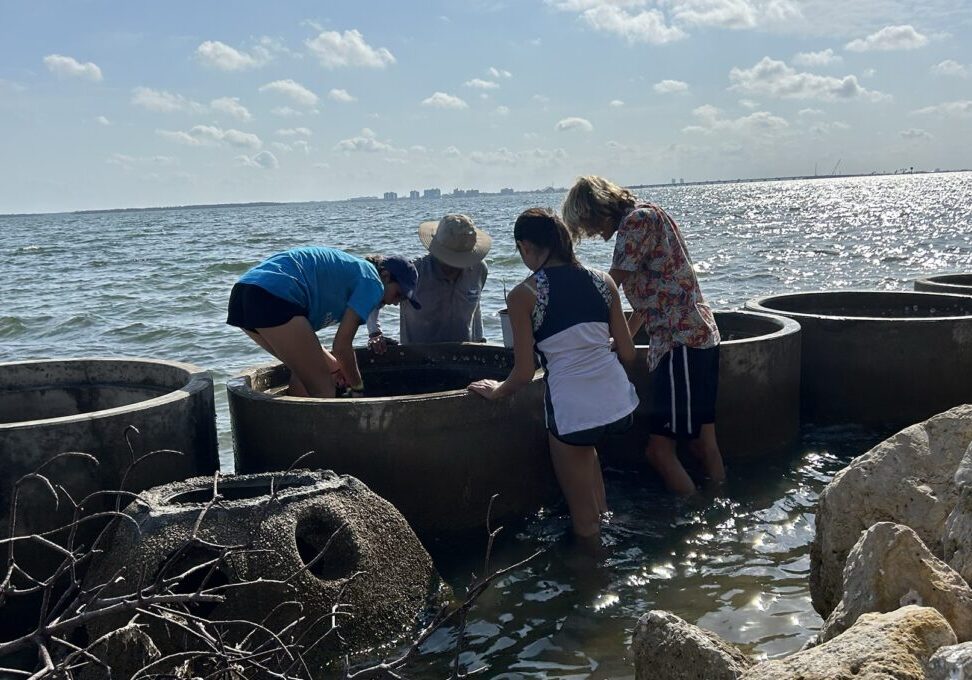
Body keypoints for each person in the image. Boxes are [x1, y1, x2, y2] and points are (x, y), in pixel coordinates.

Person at [467, 208, 639, 539]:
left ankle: (594, 582)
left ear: (525, 246)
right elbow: (629, 353)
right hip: (619, 403)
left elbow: (523, 373)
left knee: (583, 518)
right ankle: (610, 528)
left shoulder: (524, 295)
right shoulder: (604, 281)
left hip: (573, 411)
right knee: (591, 472)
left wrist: (496, 390)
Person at [562, 175, 724, 495]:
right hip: (696, 336)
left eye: (587, 225)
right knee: (703, 445)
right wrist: (623, 338)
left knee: (659, 451)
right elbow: (651, 295)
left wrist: (566, 317)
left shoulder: (635, 222)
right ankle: (720, 504)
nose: (592, 233)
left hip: (680, 344)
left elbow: (611, 285)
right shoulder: (650, 214)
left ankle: (692, 518)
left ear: (597, 209)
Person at [227, 246, 421, 398]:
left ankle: (298, 439)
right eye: (398, 294)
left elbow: (323, 354)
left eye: (402, 300)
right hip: (273, 296)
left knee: (313, 372)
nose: (395, 303)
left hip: (244, 293)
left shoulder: (354, 272)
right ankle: (318, 447)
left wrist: (339, 368)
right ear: (386, 275)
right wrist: (358, 387)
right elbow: (342, 346)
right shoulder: (373, 282)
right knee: (324, 390)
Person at [367, 214, 490, 351]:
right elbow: (374, 293)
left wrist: (480, 343)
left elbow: (475, 308)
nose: (454, 267)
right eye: (448, 260)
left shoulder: (479, 269)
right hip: (419, 359)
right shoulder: (413, 273)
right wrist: (375, 333)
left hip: (464, 355)